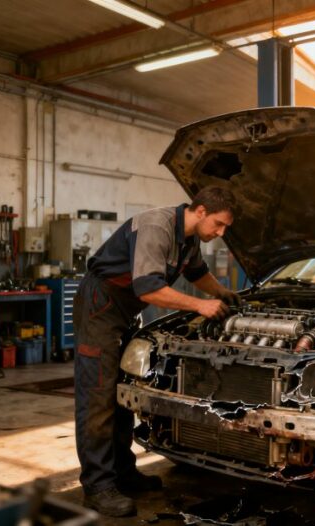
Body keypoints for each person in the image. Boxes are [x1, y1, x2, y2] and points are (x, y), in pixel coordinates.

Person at [72, 186, 240, 516]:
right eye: (218, 224)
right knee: (97, 397)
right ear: (201, 211)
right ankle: (97, 486)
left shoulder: (189, 238)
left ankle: (122, 472)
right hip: (101, 306)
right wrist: (200, 306)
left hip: (124, 309)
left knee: (121, 395)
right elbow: (148, 287)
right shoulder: (156, 227)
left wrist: (224, 292)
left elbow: (196, 273)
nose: (220, 233)